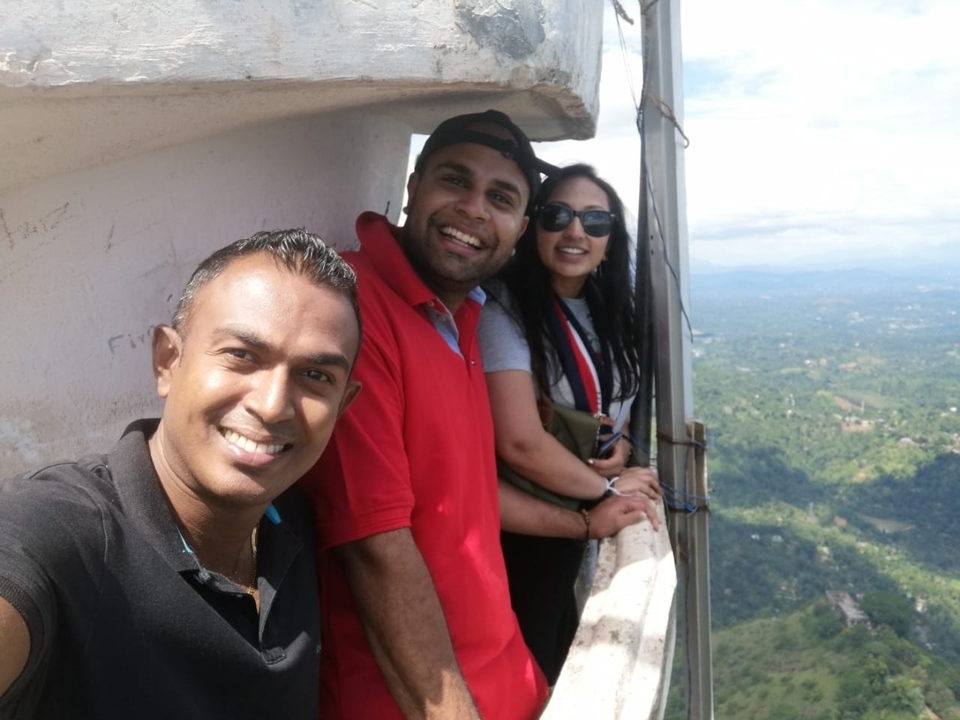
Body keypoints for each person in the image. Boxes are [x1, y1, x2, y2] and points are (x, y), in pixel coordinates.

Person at [301, 111, 659, 720]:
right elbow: (374, 546)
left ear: (516, 227)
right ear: (413, 188)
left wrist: (583, 524)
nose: (473, 208)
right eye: (454, 180)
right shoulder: (353, 304)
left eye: (499, 197)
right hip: (406, 699)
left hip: (506, 677)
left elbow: (467, 496)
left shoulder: (461, 319)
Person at [0, 229, 362, 719]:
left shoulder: (294, 523)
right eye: (241, 355)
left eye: (315, 376)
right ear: (167, 361)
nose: (273, 405)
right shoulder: (62, 536)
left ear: (343, 406)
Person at [477, 163, 662, 683]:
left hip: (577, 510)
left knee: (559, 646)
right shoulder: (503, 309)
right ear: (533, 225)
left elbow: (612, 400)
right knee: (530, 663)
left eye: (595, 221)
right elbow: (518, 441)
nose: (575, 231)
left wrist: (620, 444)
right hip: (529, 523)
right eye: (558, 215)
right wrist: (606, 487)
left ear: (610, 237)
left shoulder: (610, 309)